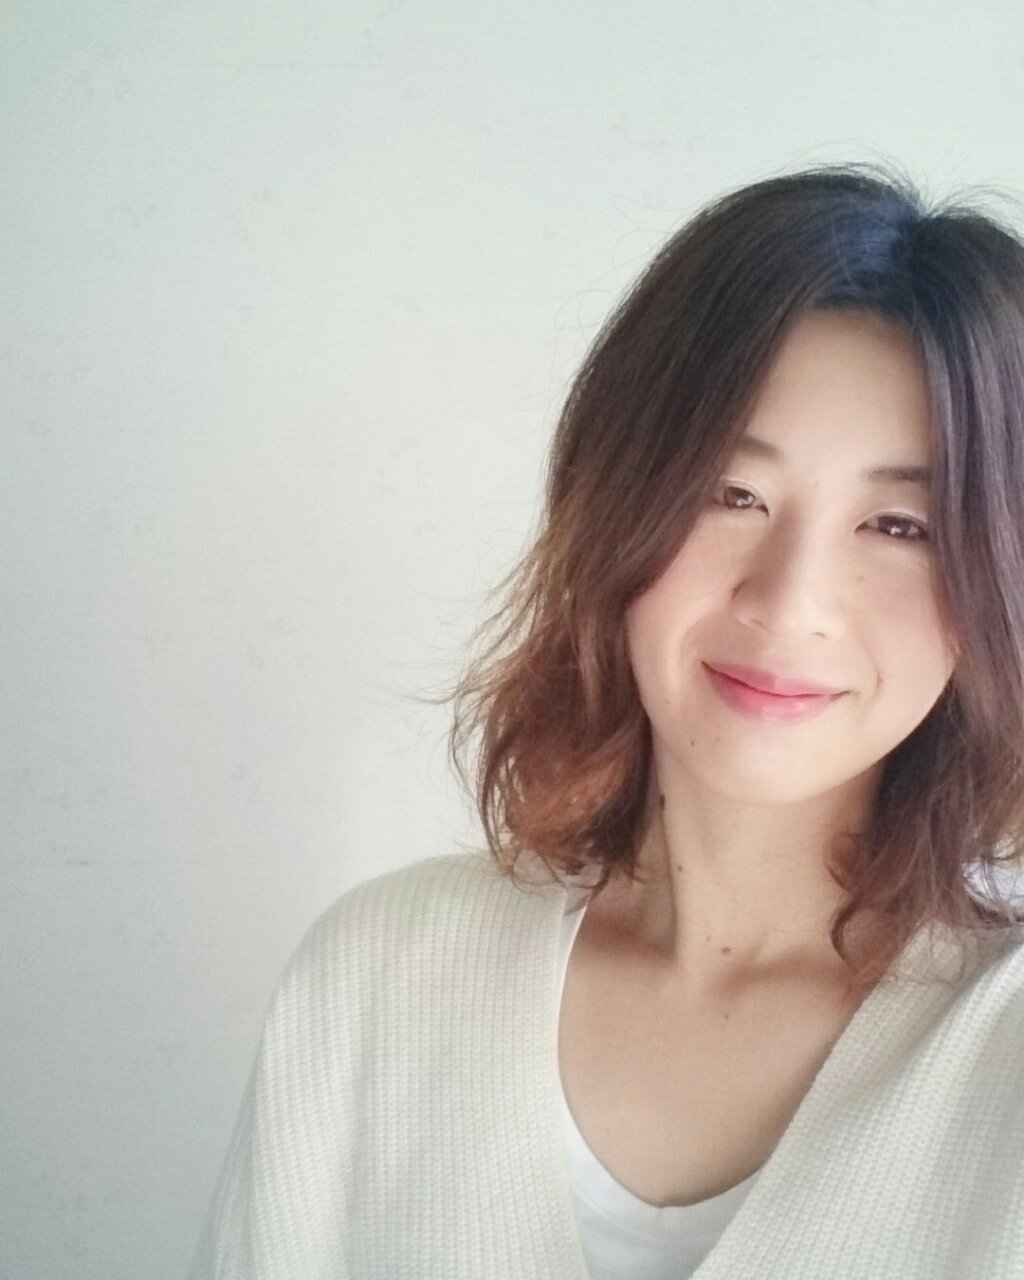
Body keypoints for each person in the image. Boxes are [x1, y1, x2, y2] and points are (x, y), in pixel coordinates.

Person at [187, 162, 1024, 1279]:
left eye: (900, 525)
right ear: (616, 506)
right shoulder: (380, 975)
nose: (789, 603)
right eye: (731, 494)